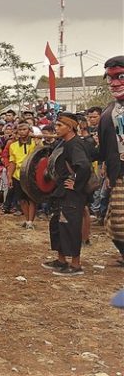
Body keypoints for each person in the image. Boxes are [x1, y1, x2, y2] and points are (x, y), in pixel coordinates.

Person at [41, 113, 91, 276]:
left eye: (59, 126)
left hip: (73, 194)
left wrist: (76, 184)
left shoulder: (75, 144)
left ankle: (75, 265)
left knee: (70, 226)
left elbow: (83, 166)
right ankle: (61, 261)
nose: (56, 128)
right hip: (62, 190)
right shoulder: (65, 143)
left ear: (70, 127)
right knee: (58, 225)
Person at [96, 56, 124, 266]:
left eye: (121, 77)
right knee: (116, 222)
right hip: (119, 173)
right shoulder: (108, 113)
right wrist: (104, 166)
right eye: (111, 78)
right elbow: (105, 146)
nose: (114, 83)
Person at [8, 122, 39, 229]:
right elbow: (12, 162)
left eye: (24, 129)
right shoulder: (13, 145)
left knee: (32, 199)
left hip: (32, 175)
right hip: (18, 175)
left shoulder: (35, 143)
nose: (22, 132)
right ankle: (27, 220)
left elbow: (41, 156)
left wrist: (38, 143)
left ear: (29, 130)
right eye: (20, 130)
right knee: (21, 199)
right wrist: (9, 176)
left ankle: (31, 221)